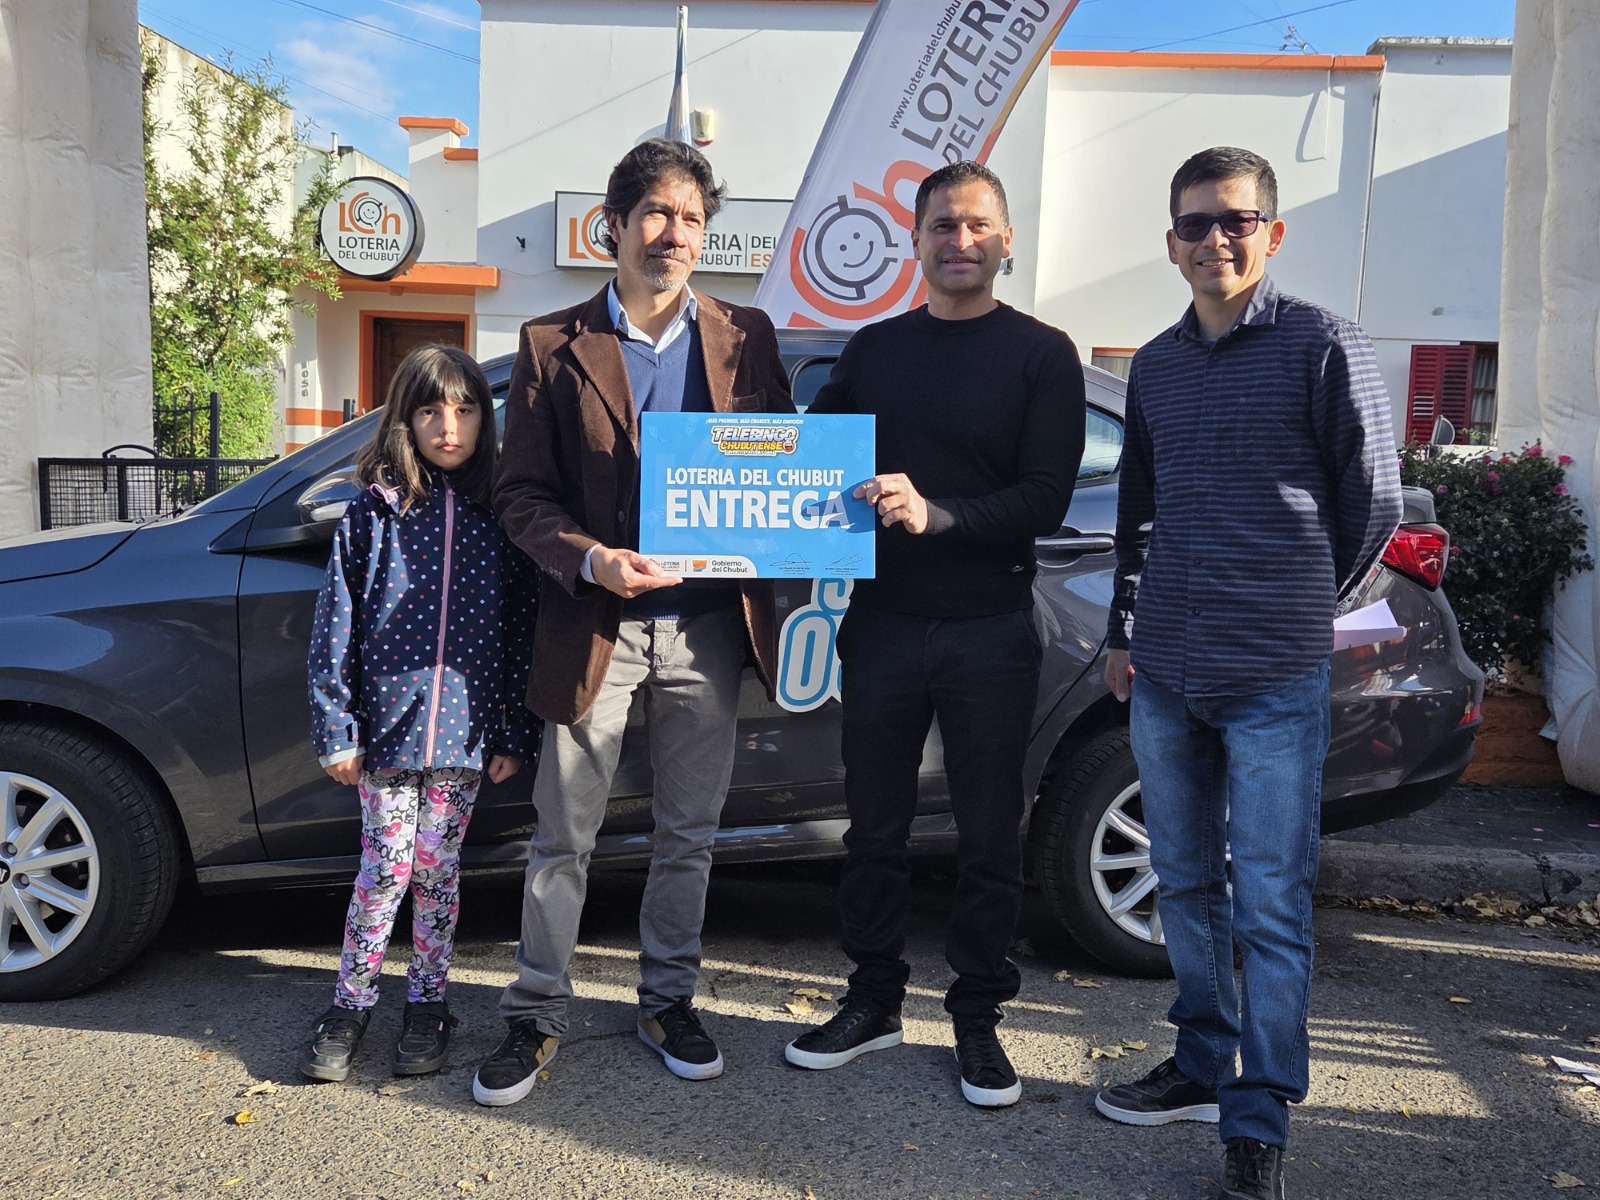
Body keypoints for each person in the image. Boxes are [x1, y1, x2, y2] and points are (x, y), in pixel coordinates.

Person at [1092, 147, 1402, 1200]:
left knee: (1269, 902)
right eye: (1195, 223)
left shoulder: (1324, 344)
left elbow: (1375, 502)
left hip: (1273, 673)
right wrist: (1122, 633)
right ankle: (1198, 1062)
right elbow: (1138, 515)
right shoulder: (1156, 366)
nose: (1214, 240)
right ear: (1170, 241)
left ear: (1271, 231)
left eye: (1235, 220)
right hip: (1168, 672)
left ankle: (1258, 1115)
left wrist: (1305, 607)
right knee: (1184, 885)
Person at [473, 138, 793, 1106]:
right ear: (612, 226)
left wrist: (831, 501)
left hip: (708, 627)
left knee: (688, 831)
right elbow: (519, 494)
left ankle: (668, 1001)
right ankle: (534, 1012)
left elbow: (781, 464)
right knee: (562, 834)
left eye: (691, 218)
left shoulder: (746, 335)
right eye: (656, 212)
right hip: (595, 624)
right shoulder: (550, 342)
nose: (674, 233)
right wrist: (590, 557)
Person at [783, 161, 1086, 1108]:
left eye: (978, 225)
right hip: (882, 625)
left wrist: (937, 514)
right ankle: (873, 999)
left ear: (1006, 240)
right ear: (914, 241)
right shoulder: (874, 351)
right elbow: (807, 461)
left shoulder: (1043, 354)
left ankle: (979, 1018)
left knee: (989, 834)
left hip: (990, 628)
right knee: (872, 829)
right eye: (943, 225)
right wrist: (721, 467)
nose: (961, 241)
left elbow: (1045, 498)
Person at [300, 344, 539, 1083]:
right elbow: (335, 626)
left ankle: (428, 1003)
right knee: (385, 869)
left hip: (466, 735)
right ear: (405, 418)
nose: (448, 426)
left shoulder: (498, 516)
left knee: (437, 868)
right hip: (386, 733)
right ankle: (350, 1004)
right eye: (431, 410)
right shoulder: (374, 511)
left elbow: (519, 632)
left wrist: (512, 730)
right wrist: (338, 729)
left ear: (484, 420)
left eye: (465, 410)